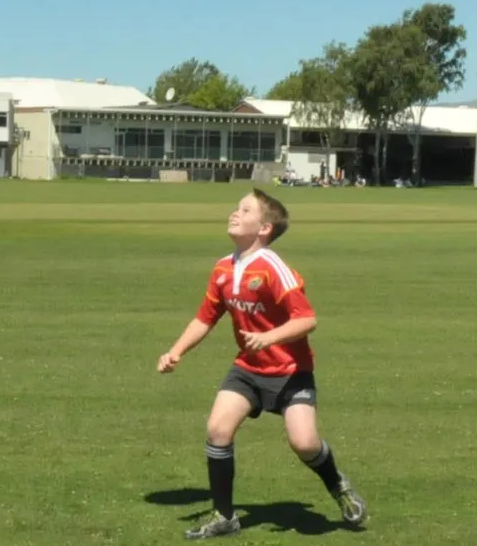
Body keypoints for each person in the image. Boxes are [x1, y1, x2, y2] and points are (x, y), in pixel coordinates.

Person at [157, 188, 367, 540]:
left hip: (290, 373)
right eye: (235, 208)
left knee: (304, 444)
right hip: (248, 370)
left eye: (245, 210)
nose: (234, 213)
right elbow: (204, 319)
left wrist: (269, 338)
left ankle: (337, 484)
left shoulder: (273, 268)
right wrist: (176, 350)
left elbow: (307, 319)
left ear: (265, 228)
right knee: (217, 430)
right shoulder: (223, 268)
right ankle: (225, 517)